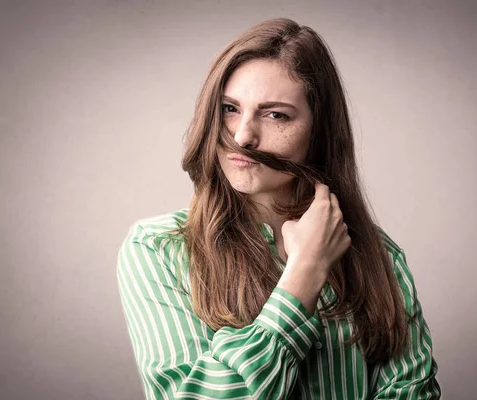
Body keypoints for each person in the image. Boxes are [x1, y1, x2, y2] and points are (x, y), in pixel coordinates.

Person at [116, 18, 441, 399]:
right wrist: (305, 273)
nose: (243, 136)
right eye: (229, 108)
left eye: (276, 115)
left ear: (319, 130)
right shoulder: (158, 250)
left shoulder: (380, 257)